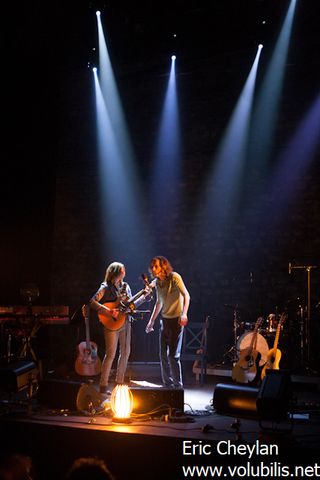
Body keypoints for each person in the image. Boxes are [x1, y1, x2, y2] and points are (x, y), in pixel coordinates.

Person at [90, 261, 150, 395]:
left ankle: (119, 383)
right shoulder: (105, 287)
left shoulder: (126, 286)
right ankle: (103, 385)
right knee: (110, 354)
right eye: (122, 270)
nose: (124, 271)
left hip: (125, 322)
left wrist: (144, 297)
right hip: (111, 323)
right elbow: (92, 302)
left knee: (125, 352)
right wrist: (108, 311)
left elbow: (131, 305)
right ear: (116, 272)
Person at [145, 256, 190, 388]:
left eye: (156, 266)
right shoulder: (158, 283)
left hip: (177, 320)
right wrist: (151, 321)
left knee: (173, 356)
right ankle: (167, 386)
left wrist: (184, 314)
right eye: (152, 267)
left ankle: (177, 387)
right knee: (162, 355)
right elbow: (159, 303)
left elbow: (186, 295)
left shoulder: (174, 277)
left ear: (163, 266)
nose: (154, 269)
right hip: (164, 321)